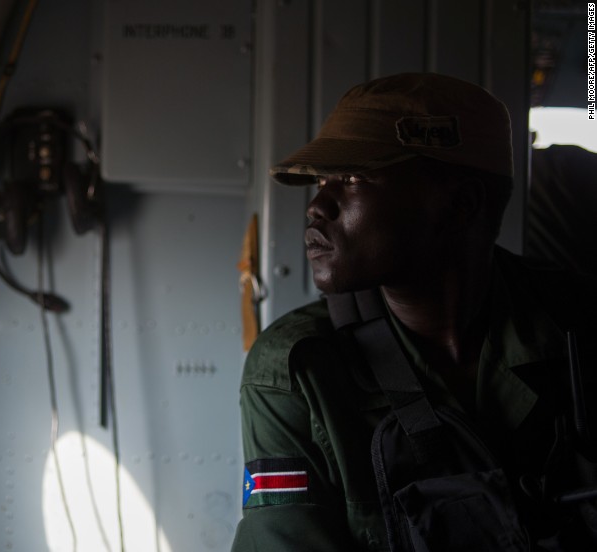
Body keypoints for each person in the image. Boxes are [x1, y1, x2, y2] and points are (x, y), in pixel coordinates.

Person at [231, 73, 597, 551]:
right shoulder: (297, 370)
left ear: (461, 205)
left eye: (354, 178)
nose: (317, 207)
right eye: (322, 181)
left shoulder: (574, 321)